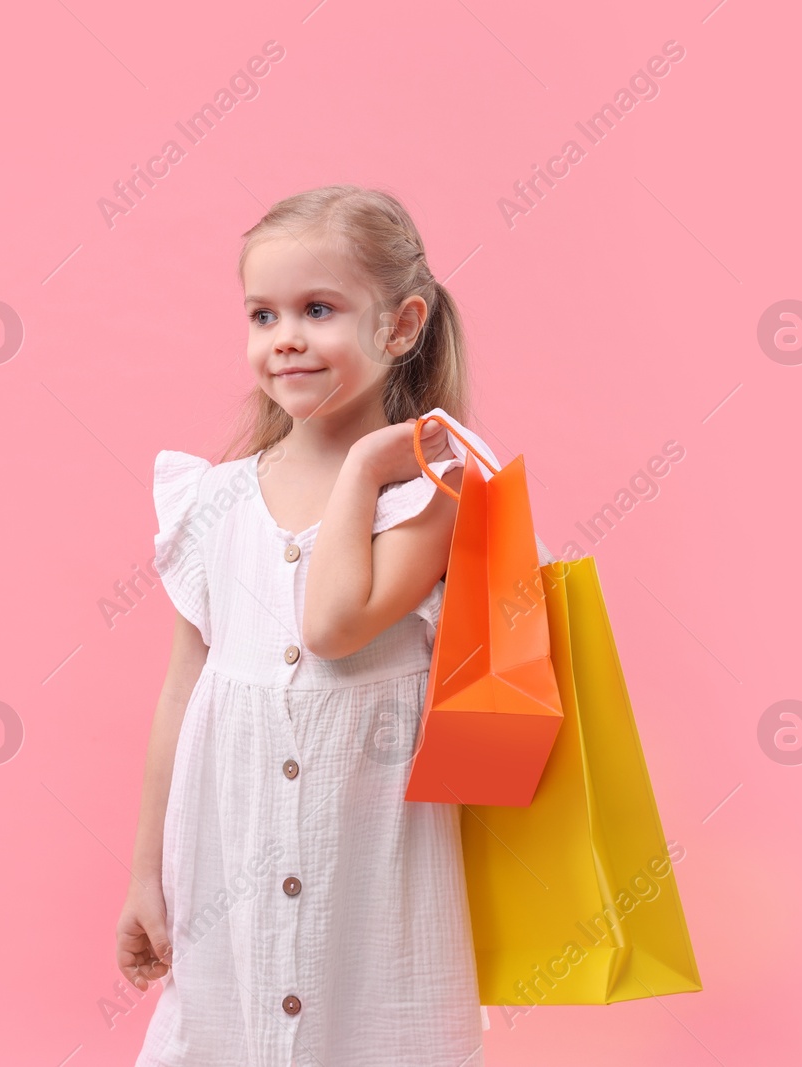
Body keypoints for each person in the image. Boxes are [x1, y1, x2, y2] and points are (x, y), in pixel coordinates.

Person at [117, 184, 516, 1066]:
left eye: (319, 308)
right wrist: (147, 871)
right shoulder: (212, 501)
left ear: (402, 325)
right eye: (263, 314)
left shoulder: (427, 494)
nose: (284, 337)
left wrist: (370, 467)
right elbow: (184, 690)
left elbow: (334, 626)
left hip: (373, 871)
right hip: (230, 868)